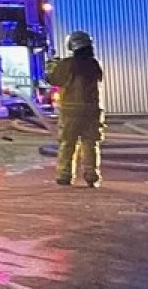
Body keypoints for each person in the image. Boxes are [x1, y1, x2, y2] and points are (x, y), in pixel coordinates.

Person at [47, 30, 106, 188]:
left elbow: (53, 79)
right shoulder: (94, 64)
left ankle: (64, 175)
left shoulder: (67, 64)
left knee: (67, 143)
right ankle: (91, 175)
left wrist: (52, 65)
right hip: (92, 111)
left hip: (71, 111)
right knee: (90, 143)